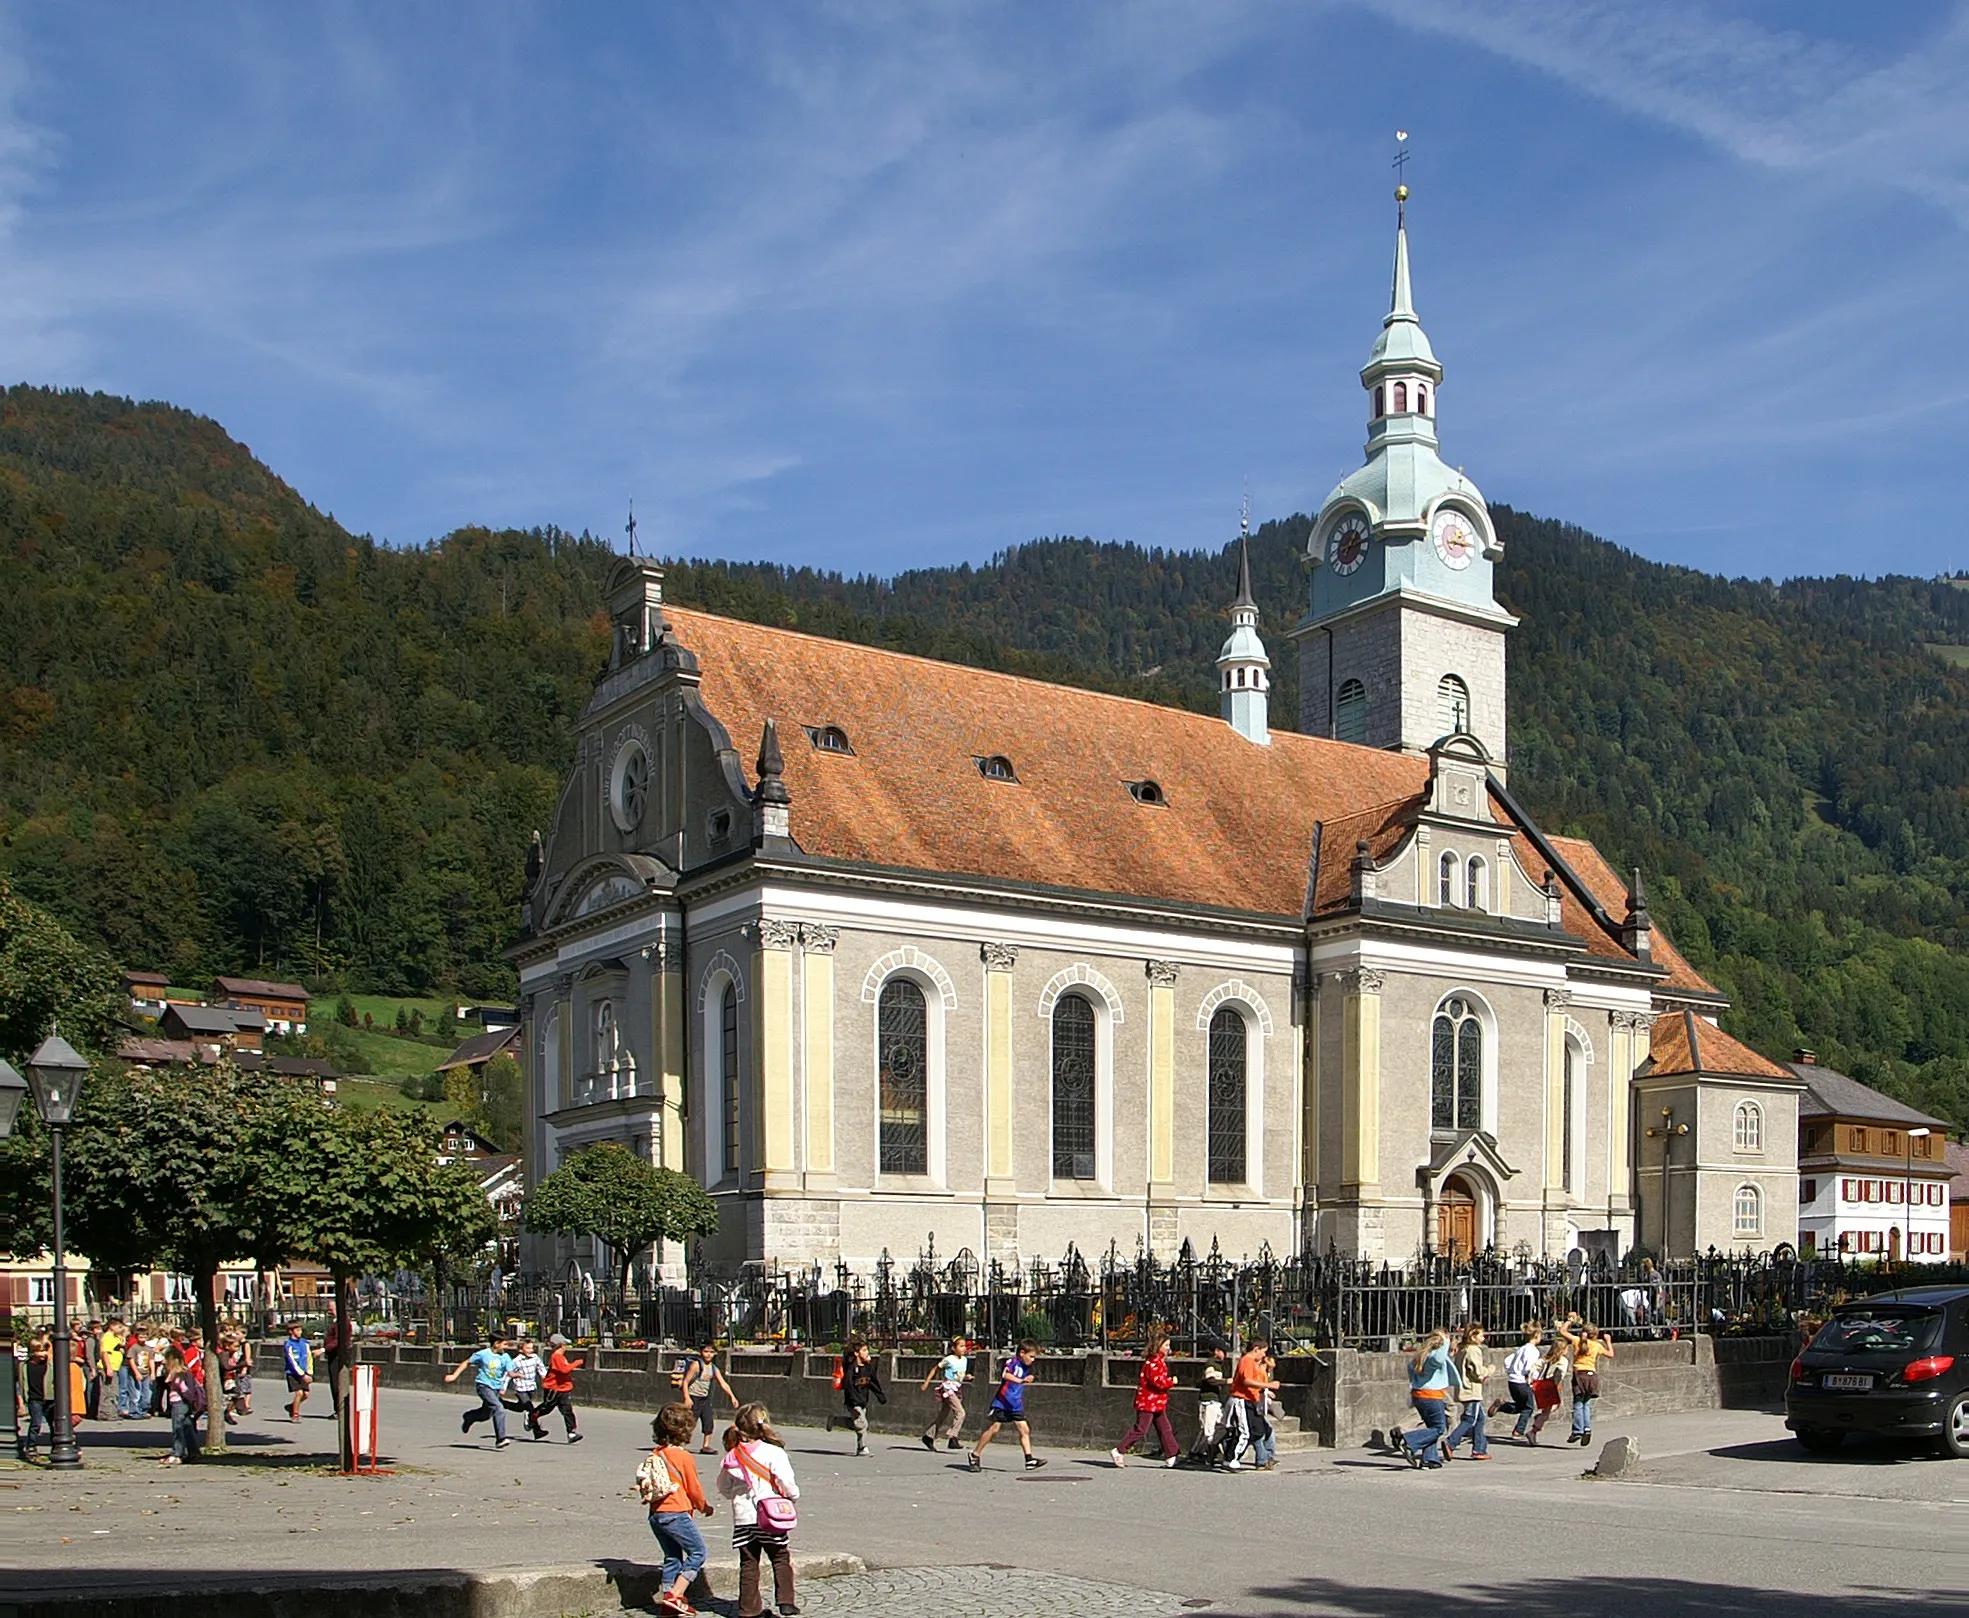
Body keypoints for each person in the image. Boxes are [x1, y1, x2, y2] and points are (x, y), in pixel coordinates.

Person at [717, 1403, 801, 1618]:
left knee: (748, 1562)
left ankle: (748, 1610)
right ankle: (786, 1601)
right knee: (780, 1556)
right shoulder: (774, 1452)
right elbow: (785, 1480)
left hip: (743, 1517)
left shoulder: (732, 1456)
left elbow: (723, 1487)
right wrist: (792, 1496)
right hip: (769, 1516)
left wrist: (734, 1495)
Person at [641, 1403, 714, 1617]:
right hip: (676, 1513)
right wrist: (704, 1506)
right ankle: (676, 1593)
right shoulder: (683, 1457)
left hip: (656, 1514)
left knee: (672, 1556)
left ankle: (668, 1602)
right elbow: (694, 1488)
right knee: (698, 1552)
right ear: (686, 1430)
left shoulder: (657, 1453)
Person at [968, 1339, 1046, 1472]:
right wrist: (1021, 1380)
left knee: (1024, 1429)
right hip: (1003, 1402)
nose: (1033, 1360)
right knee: (994, 1429)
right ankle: (975, 1454)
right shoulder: (1012, 1362)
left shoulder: (1025, 1366)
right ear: (1022, 1353)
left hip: (1015, 1403)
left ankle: (1029, 1459)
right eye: (1031, 1356)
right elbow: (1005, 1374)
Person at [1110, 1328, 1180, 1467]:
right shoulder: (1154, 1362)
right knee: (1141, 1429)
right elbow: (1157, 1382)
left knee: (1165, 1428)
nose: (1168, 1348)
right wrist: (1171, 1381)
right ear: (1158, 1345)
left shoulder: (1158, 1361)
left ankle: (1171, 1455)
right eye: (1166, 1345)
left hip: (1156, 1402)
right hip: (1148, 1402)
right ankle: (1119, 1450)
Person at [1394, 1329, 1460, 1469]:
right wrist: (1446, 1342)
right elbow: (1438, 1359)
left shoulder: (1421, 1356)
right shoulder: (1434, 1357)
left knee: (1431, 1427)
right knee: (1438, 1428)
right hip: (1432, 1396)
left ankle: (1430, 1459)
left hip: (1420, 1395)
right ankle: (1409, 1441)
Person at [444, 1334, 515, 1449]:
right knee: (498, 1408)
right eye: (504, 1344)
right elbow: (466, 1362)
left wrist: (517, 1375)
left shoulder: (505, 1357)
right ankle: (500, 1439)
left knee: (486, 1414)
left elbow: (510, 1372)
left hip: (496, 1388)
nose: (506, 1347)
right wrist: (454, 1375)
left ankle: (469, 1417)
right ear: (497, 1344)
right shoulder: (483, 1354)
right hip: (484, 1386)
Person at [826, 1338, 885, 1457]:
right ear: (857, 1353)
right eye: (864, 1350)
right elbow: (848, 1386)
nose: (867, 1353)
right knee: (863, 1424)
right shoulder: (851, 1368)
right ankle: (863, 1447)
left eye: (867, 1350)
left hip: (863, 1400)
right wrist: (854, 1400)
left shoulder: (868, 1368)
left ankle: (836, 1421)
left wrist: (880, 1395)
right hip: (853, 1401)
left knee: (857, 1424)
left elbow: (872, 1382)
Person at [1224, 1336, 1276, 1471]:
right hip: (1242, 1400)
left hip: (1250, 1401)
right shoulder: (1247, 1361)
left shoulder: (1252, 1362)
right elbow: (1247, 1381)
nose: (1264, 1355)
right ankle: (1232, 1459)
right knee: (1245, 1433)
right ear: (1256, 1349)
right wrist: (1268, 1385)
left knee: (1258, 1430)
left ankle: (1229, 1455)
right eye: (1263, 1351)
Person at [676, 1343, 735, 1454]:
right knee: (689, 1423)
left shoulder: (713, 1368)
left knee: (708, 1422)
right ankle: (680, 1443)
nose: (708, 1355)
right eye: (706, 1352)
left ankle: (706, 1446)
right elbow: (685, 1382)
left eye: (711, 1352)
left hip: (705, 1398)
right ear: (701, 1352)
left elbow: (723, 1383)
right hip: (694, 1398)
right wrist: (687, 1398)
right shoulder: (696, 1365)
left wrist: (732, 1396)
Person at [1444, 1324, 1491, 1460]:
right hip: (1471, 1390)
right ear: (1473, 1336)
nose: (1483, 1338)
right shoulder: (1473, 1350)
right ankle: (1451, 1442)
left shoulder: (1462, 1349)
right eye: (1481, 1335)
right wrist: (1489, 1370)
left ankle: (1479, 1448)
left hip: (1464, 1388)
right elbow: (1478, 1373)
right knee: (1470, 1419)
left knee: (1480, 1418)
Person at [1565, 1319, 1613, 1446]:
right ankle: (1586, 1428)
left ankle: (1577, 1430)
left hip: (1579, 1375)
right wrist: (1608, 1341)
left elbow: (1562, 1331)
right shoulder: (1597, 1346)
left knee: (1578, 1404)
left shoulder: (1577, 1341)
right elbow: (1610, 1354)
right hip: (1592, 1376)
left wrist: (1569, 1321)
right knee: (1586, 1404)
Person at [918, 1335, 970, 1452]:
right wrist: (926, 1382)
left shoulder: (965, 1360)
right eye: (961, 1346)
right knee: (960, 1413)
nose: (963, 1348)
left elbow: (959, 1375)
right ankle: (953, 1437)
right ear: (954, 1348)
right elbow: (935, 1368)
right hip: (948, 1389)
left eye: (964, 1346)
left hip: (957, 1389)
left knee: (944, 1414)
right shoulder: (949, 1359)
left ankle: (929, 1436)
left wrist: (967, 1377)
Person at [532, 1332, 585, 1442]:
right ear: (561, 1345)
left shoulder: (560, 1357)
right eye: (564, 1345)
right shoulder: (556, 1357)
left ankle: (571, 1432)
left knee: (567, 1410)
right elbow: (564, 1370)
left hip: (563, 1389)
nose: (566, 1347)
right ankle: (531, 1416)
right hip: (554, 1388)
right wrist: (576, 1363)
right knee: (547, 1408)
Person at [161, 1345, 205, 1466]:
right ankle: (194, 1452)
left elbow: (183, 1388)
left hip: (179, 1402)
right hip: (183, 1403)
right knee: (187, 1428)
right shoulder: (185, 1371)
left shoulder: (179, 1373)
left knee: (178, 1428)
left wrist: (189, 1398)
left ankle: (177, 1453)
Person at [1502, 1323, 1543, 1443]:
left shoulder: (1522, 1348)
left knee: (1521, 1406)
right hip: (1522, 1382)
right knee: (1529, 1407)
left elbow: (1507, 1361)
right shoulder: (1533, 1351)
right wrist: (1532, 1377)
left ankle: (1502, 1406)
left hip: (1512, 1381)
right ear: (1536, 1335)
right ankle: (1518, 1430)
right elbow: (1531, 1367)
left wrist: (1512, 1371)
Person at [1189, 1343, 1230, 1462]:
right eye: (1223, 1352)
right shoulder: (1211, 1364)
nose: (1225, 1355)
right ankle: (1201, 1452)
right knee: (1208, 1429)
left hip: (1215, 1400)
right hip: (1208, 1400)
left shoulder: (1218, 1365)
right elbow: (1210, 1380)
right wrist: (1226, 1381)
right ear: (1217, 1351)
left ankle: (1201, 1450)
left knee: (1220, 1426)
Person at [18, 1331, 52, 1458]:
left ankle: (55, 1444)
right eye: (40, 1351)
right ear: (33, 1352)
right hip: (34, 1398)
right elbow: (22, 1384)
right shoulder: (24, 1366)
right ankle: (31, 1445)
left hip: (49, 1398)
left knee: (53, 1423)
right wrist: (22, 1400)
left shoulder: (50, 1365)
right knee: (36, 1423)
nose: (43, 1354)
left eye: (45, 1351)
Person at [506, 1338, 546, 1436]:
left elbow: (541, 1369)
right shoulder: (516, 1361)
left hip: (531, 1387)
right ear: (520, 1350)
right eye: (527, 1348)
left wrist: (545, 1379)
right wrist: (503, 1387)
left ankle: (503, 1403)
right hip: (520, 1388)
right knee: (530, 1407)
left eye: (531, 1348)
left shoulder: (535, 1358)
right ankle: (537, 1431)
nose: (530, 1351)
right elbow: (508, 1374)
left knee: (520, 1407)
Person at [282, 1321, 314, 1422]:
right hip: (293, 1373)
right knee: (299, 1393)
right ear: (291, 1331)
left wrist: (309, 1373)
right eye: (297, 1330)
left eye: (300, 1330)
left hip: (305, 1373)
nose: (300, 1332)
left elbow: (309, 1358)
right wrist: (301, 1374)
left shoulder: (304, 1343)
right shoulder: (289, 1345)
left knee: (306, 1394)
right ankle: (295, 1415)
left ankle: (291, 1406)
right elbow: (292, 1361)